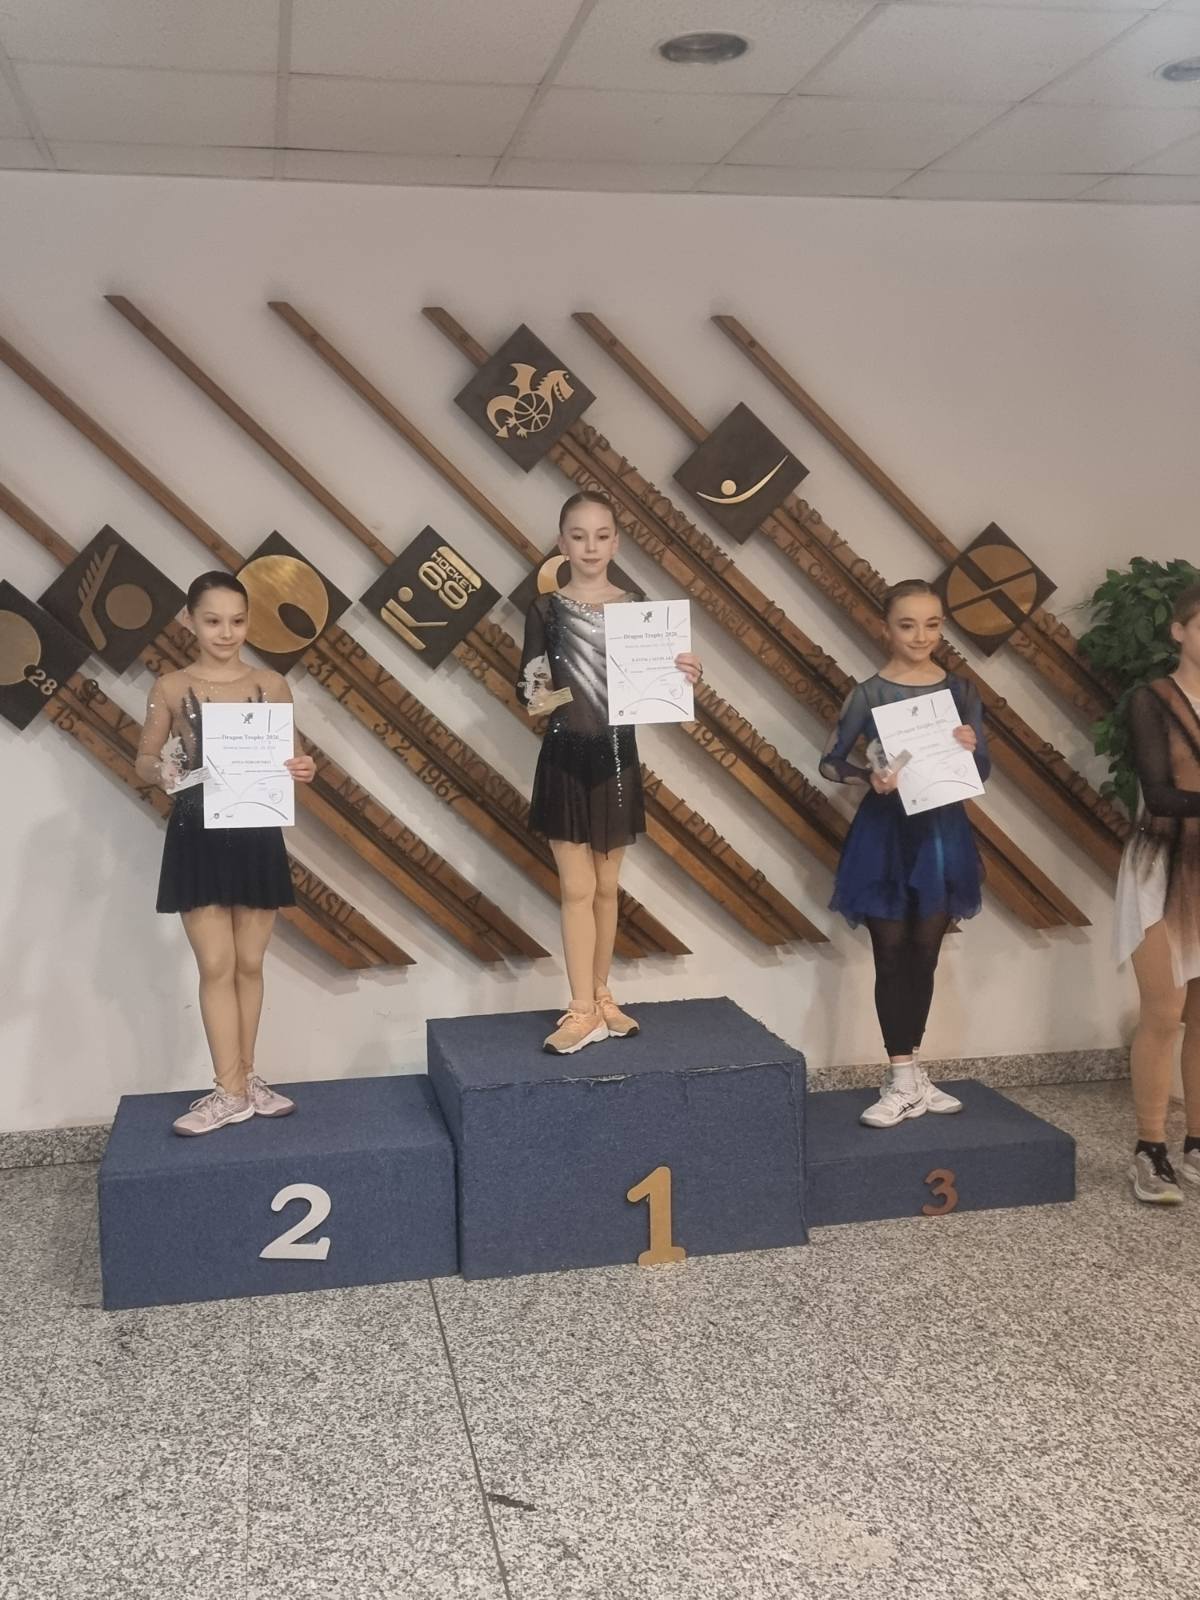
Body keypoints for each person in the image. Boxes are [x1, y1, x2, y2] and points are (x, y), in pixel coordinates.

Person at [517, 490, 702, 1054]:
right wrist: (552, 693)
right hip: (564, 760)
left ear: (616, 542)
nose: (591, 546)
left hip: (619, 760)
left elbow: (656, 690)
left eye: (601, 536)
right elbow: (531, 699)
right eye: (579, 536)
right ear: (562, 543)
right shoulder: (544, 611)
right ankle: (580, 1010)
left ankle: (601, 997)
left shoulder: (638, 608)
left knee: (604, 888)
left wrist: (683, 674)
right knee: (576, 888)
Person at [135, 571, 316, 1135]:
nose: (226, 632)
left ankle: (246, 1078)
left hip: (257, 828)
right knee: (215, 964)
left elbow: (294, 755)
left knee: (250, 963)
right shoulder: (170, 686)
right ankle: (228, 1089)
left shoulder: (271, 683)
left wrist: (304, 767)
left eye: (237, 621)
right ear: (190, 621)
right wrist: (163, 769)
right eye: (213, 620)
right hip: (197, 831)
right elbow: (143, 759)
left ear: (248, 622)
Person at [820, 579, 990, 1127]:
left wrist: (970, 749)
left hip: (941, 836)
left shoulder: (961, 691)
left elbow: (981, 768)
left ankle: (912, 1075)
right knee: (890, 954)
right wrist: (868, 777)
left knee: (924, 954)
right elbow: (831, 761)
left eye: (932, 624)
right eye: (908, 625)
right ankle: (900, 1078)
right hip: (885, 837)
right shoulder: (868, 694)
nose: (921, 636)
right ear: (885, 628)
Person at [1113, 583, 1200, 1204]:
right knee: (1164, 1013)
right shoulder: (1151, 699)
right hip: (1163, 867)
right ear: (1179, 630)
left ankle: (1197, 1143)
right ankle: (1150, 1149)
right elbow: (1161, 794)